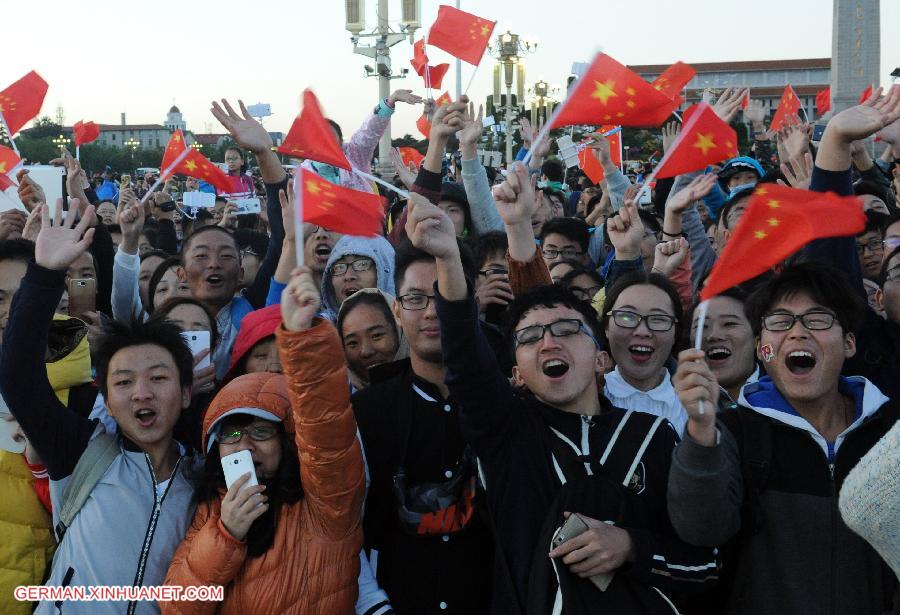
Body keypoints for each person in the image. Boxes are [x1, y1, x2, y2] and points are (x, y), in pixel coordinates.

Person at [421, 165, 717, 613]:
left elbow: (706, 566)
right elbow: (465, 356)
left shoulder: (654, 435)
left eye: (566, 329)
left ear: (602, 359)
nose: (548, 341)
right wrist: (448, 258)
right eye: (528, 338)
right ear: (515, 374)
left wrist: (631, 546)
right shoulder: (507, 436)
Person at [0, 200, 199, 614]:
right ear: (105, 399)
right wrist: (44, 275)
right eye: (123, 382)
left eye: (158, 378)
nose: (141, 392)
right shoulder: (80, 451)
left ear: (185, 392)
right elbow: (19, 378)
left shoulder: (207, 476)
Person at [668, 263, 898, 614]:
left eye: (817, 319)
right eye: (779, 322)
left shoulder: (889, 434)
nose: (797, 333)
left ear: (849, 343)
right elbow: (701, 528)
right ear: (763, 349)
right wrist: (700, 431)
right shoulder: (733, 432)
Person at [161, 267, 365, 614]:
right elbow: (177, 607)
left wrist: (304, 340)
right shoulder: (212, 510)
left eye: (261, 432)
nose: (245, 446)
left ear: (286, 440)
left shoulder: (325, 502)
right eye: (233, 434)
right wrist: (226, 535)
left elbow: (326, 430)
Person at [352, 209, 494, 613]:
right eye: (415, 299)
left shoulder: (505, 403)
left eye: (444, 296)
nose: (432, 312)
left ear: (471, 302)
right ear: (396, 311)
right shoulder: (364, 414)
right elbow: (342, 523)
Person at [300, 89, 423, 193]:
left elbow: (369, 131)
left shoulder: (354, 155)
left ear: (341, 140)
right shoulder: (303, 173)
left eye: (330, 135)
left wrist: (391, 101)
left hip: (362, 219)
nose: (325, 140)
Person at [689, 289, 759, 410]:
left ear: (756, 338)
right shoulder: (674, 403)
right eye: (702, 326)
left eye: (729, 324)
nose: (713, 335)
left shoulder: (788, 395)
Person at [336, 289, 407, 392]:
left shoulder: (432, 389)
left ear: (399, 331)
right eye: (353, 343)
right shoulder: (343, 403)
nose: (366, 351)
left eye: (376, 335)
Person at [319, 235, 395, 322]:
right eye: (339, 267)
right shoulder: (319, 330)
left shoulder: (409, 330)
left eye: (362, 264)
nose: (348, 276)